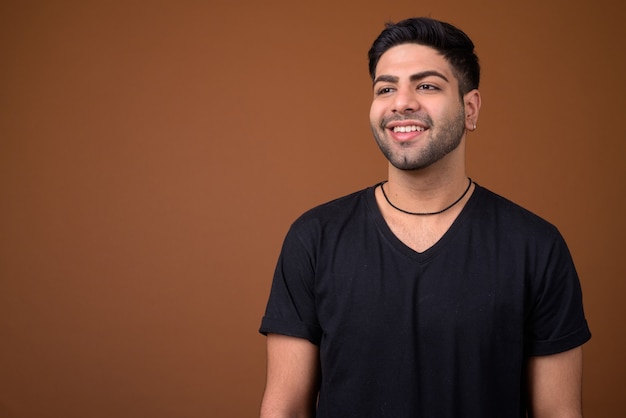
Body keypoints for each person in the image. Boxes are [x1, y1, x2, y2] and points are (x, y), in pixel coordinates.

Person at [259, 17, 591, 417]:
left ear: (470, 108)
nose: (401, 102)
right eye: (385, 88)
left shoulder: (537, 247)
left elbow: (559, 413)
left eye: (427, 85)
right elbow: (285, 410)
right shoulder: (313, 239)